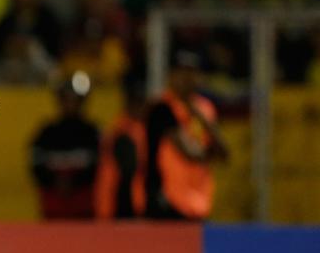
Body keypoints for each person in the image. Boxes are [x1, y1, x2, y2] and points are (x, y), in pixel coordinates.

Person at [145, 50, 228, 220]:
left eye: (191, 73)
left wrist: (200, 117)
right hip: (167, 201)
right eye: (181, 72)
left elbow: (224, 152)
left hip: (199, 200)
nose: (186, 78)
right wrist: (211, 153)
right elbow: (190, 153)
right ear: (171, 76)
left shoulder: (205, 109)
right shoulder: (162, 109)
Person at [29, 71, 101, 220]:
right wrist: (56, 182)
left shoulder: (92, 133)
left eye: (75, 100)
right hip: (53, 210)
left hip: (83, 210)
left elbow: (99, 167)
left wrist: (74, 182)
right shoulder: (46, 134)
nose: (70, 104)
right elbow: (36, 166)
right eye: (66, 99)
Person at [95, 74, 148, 219]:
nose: (139, 108)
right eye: (135, 103)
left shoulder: (137, 128)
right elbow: (128, 169)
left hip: (129, 197)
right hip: (120, 198)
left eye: (141, 103)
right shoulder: (121, 130)